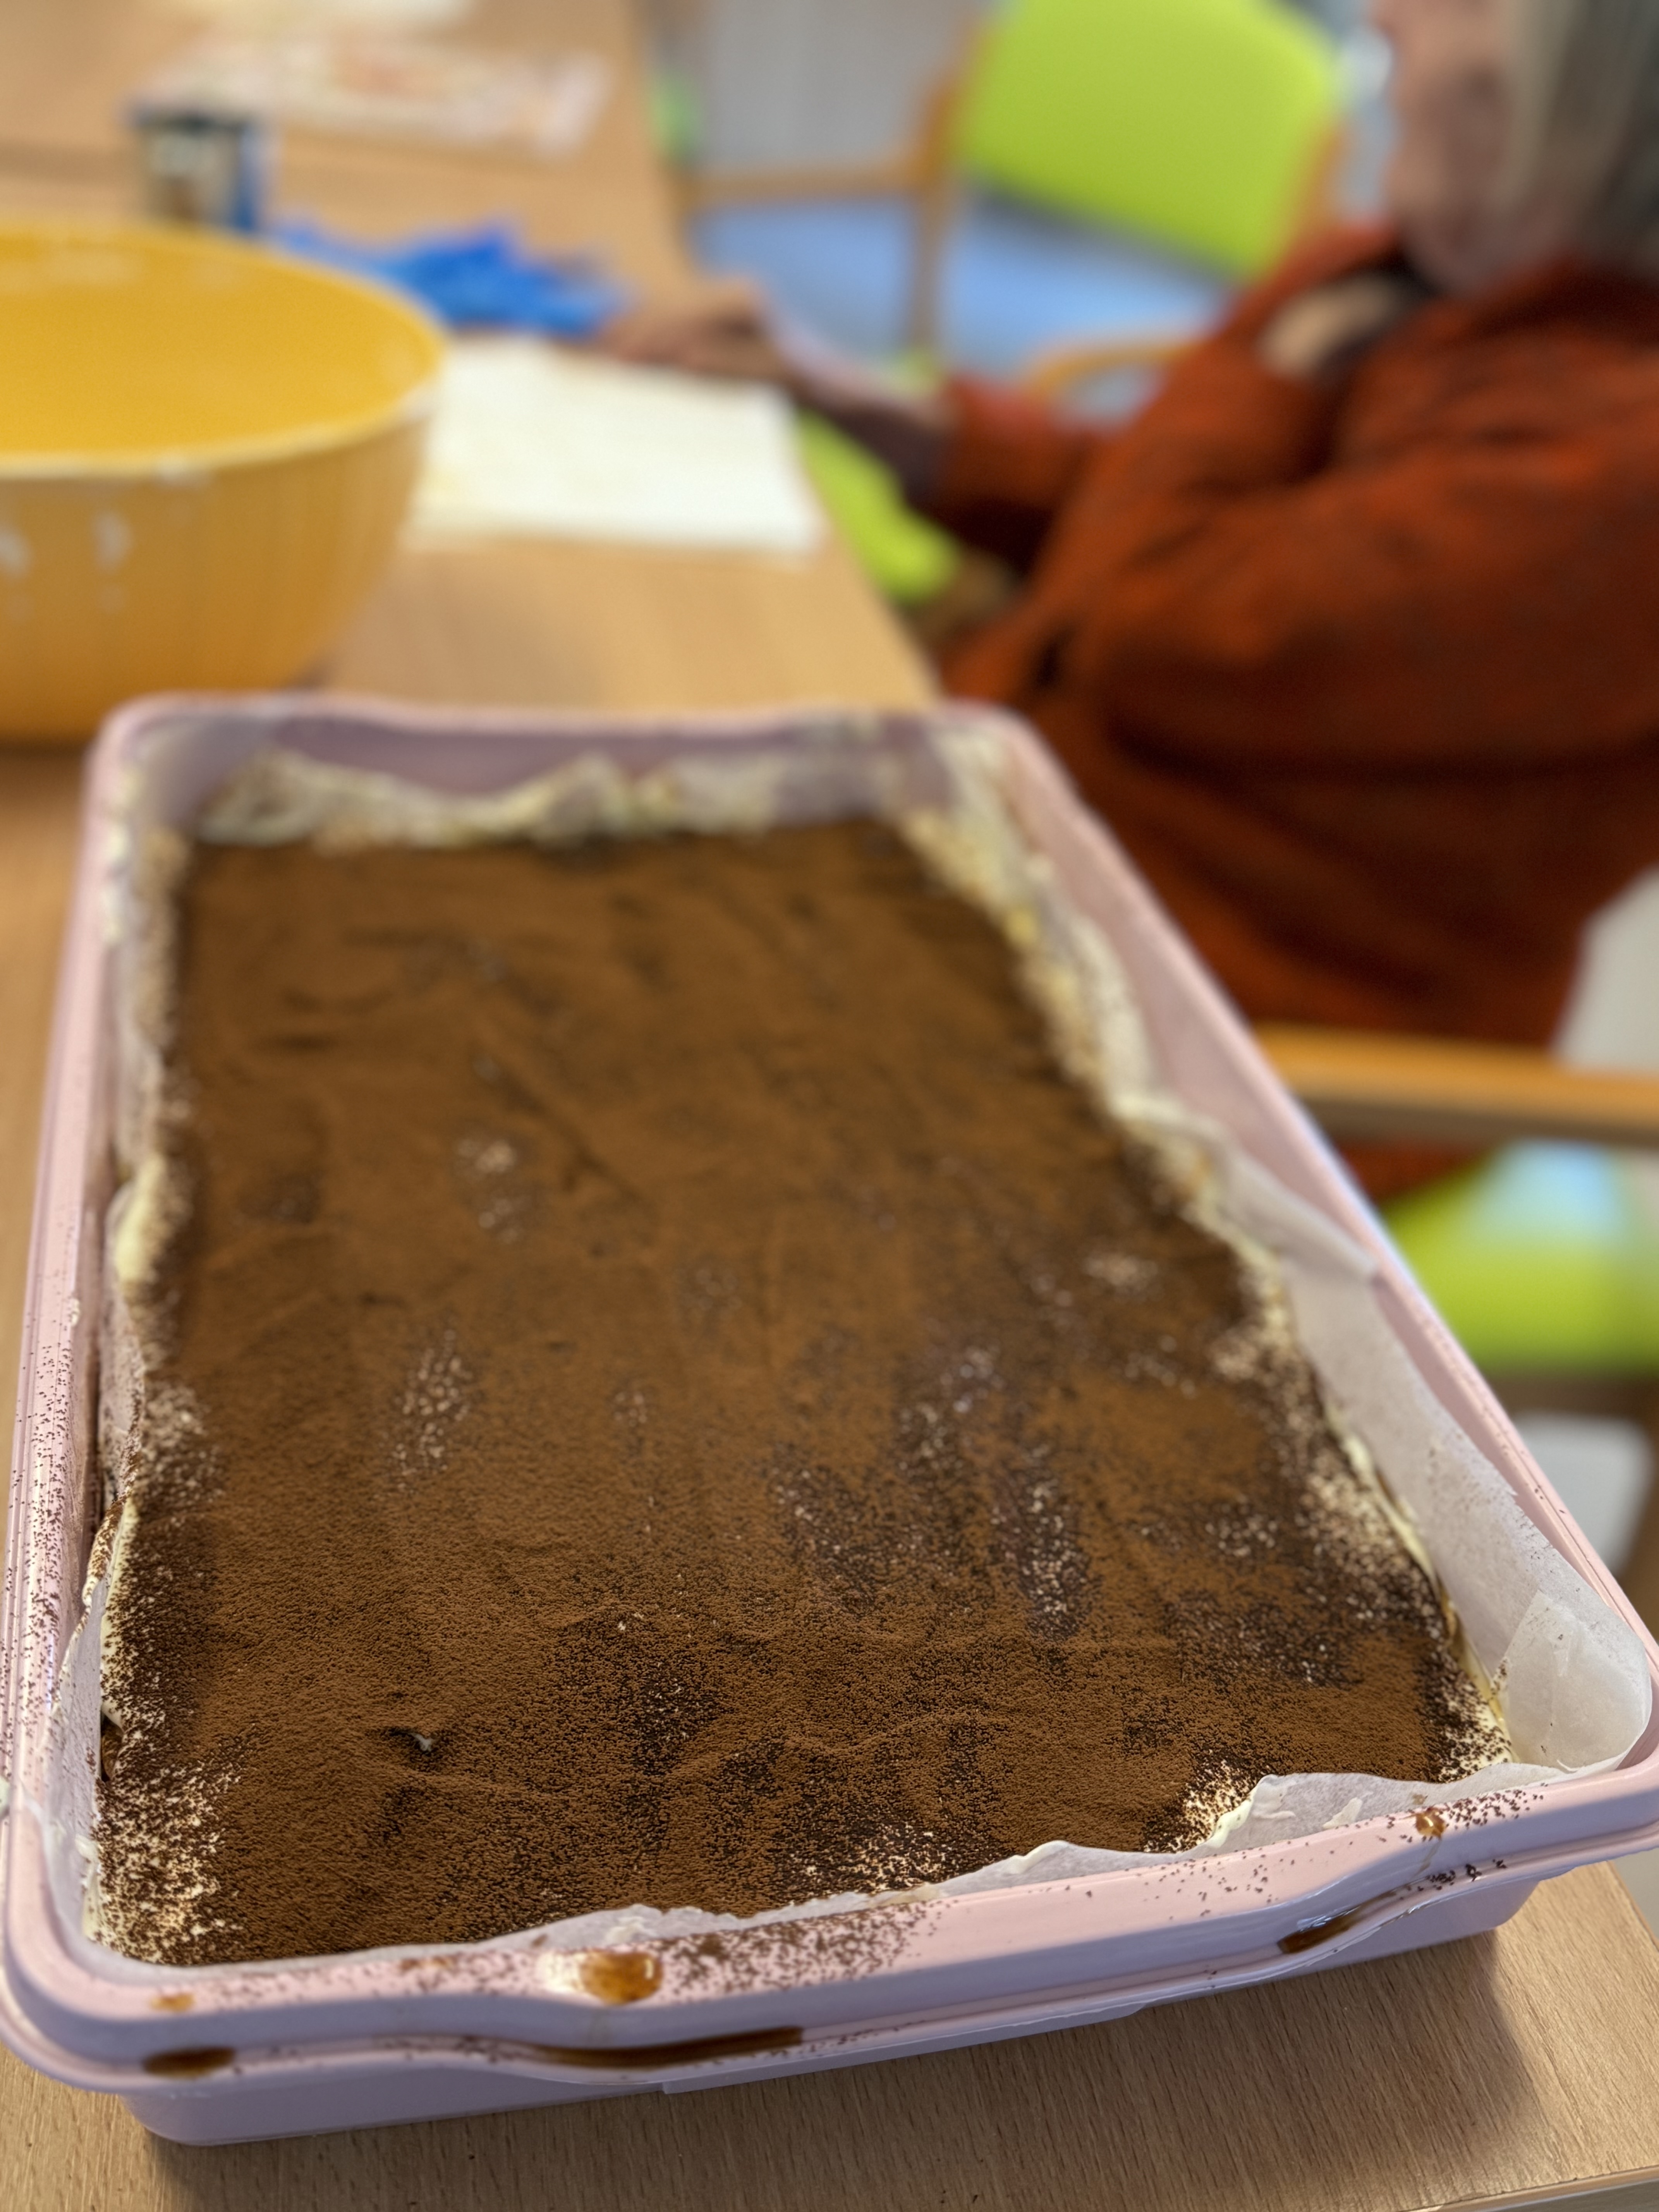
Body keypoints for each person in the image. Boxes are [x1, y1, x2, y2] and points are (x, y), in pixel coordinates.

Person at [607, 0, 1659, 1197]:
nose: (1386, 15)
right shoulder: (1418, 282)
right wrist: (866, 406)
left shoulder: (1613, 472)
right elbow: (1191, 519)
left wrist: (1264, 373)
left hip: (1235, 1037)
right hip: (1033, 854)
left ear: (1595, 96)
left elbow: (1152, 612)